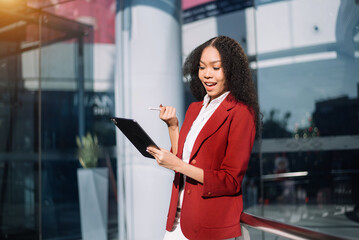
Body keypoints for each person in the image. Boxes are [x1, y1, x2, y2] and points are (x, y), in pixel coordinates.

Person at [147, 36, 260, 240]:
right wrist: (173, 127)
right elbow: (183, 159)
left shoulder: (241, 113)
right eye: (201, 67)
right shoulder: (194, 109)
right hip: (177, 222)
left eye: (216, 68)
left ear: (231, 70)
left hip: (208, 226)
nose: (207, 74)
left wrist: (178, 165)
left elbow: (230, 181)